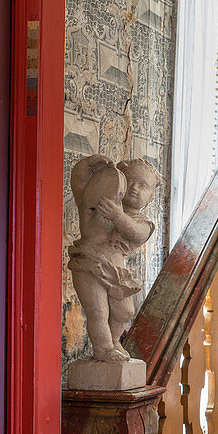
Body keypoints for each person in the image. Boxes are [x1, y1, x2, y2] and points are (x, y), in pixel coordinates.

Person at [68, 155, 160, 362]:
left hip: (116, 271)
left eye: (143, 186)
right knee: (98, 311)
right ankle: (103, 348)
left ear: (151, 197)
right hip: (87, 263)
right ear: (120, 182)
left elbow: (137, 233)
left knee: (125, 311)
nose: (135, 188)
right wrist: (87, 164)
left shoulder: (142, 222)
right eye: (131, 181)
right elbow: (79, 182)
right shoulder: (94, 206)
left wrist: (118, 215)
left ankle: (114, 340)